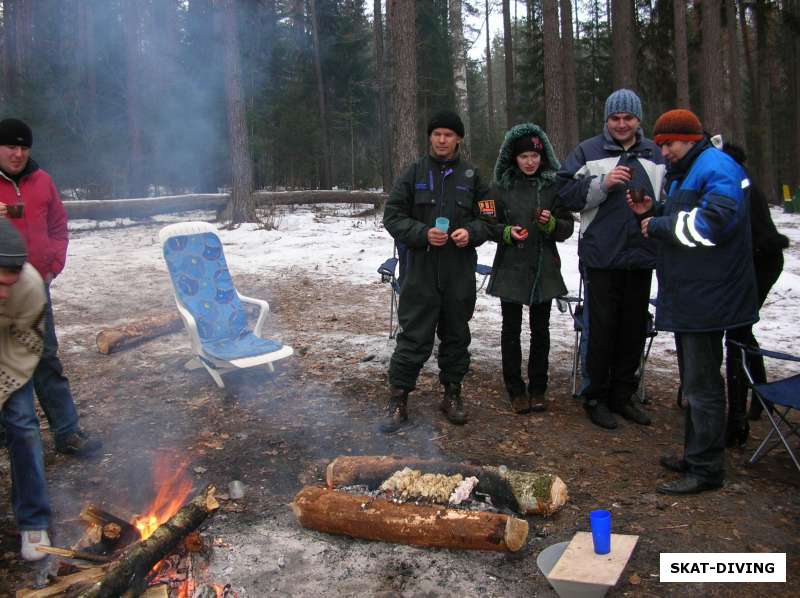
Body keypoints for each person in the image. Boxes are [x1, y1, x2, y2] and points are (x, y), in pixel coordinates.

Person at [628, 109, 758, 495]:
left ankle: (706, 469)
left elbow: (713, 224)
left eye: (670, 144)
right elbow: (685, 212)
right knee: (694, 382)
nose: (664, 151)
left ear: (690, 138)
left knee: (702, 385)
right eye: (662, 144)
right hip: (693, 293)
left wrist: (661, 226)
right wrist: (652, 212)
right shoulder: (691, 167)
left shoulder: (717, 168)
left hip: (710, 295)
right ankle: (695, 454)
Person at [556, 89, 665, 430]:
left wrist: (653, 211)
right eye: (615, 118)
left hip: (642, 255)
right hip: (601, 255)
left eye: (627, 118)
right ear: (606, 120)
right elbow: (564, 196)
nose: (621, 124)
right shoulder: (589, 151)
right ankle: (595, 396)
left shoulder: (655, 155)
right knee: (601, 329)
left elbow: (669, 200)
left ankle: (623, 394)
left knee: (633, 328)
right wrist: (602, 183)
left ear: (638, 120)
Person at [380, 110, 489, 432]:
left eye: (448, 134)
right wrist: (421, 233)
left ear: (458, 139)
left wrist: (471, 232)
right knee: (413, 335)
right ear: (430, 137)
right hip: (420, 269)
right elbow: (393, 216)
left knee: (456, 335)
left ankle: (452, 393)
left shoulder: (472, 177)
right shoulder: (414, 173)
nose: (442, 140)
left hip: (458, 270)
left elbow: (490, 220)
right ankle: (399, 398)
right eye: (437, 134)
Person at [0, 118, 101, 456]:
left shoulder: (42, 182)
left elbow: (58, 225)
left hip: (35, 289)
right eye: (11, 146)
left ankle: (67, 432)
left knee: (45, 358)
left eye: (23, 147)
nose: (17, 154)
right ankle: (8, 432)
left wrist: (53, 265)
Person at [484, 123, 574, 414]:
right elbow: (487, 223)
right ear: (513, 158)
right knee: (510, 330)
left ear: (543, 155)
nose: (530, 162)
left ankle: (538, 388)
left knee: (541, 331)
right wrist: (506, 233)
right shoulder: (499, 188)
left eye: (534, 156)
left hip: (543, 268)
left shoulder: (553, 186)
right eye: (524, 156)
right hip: (511, 267)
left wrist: (551, 224)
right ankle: (515, 390)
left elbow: (566, 227)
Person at [718, 139, 790, 447]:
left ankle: (739, 419)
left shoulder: (734, 180)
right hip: (752, 259)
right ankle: (757, 401)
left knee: (737, 332)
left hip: (760, 260)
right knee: (740, 332)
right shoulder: (733, 175)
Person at [0, 218, 53, 560]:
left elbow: (25, 349)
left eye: (10, 283)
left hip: (9, 357)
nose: (5, 293)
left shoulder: (30, 287)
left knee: (23, 427)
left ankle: (33, 520)